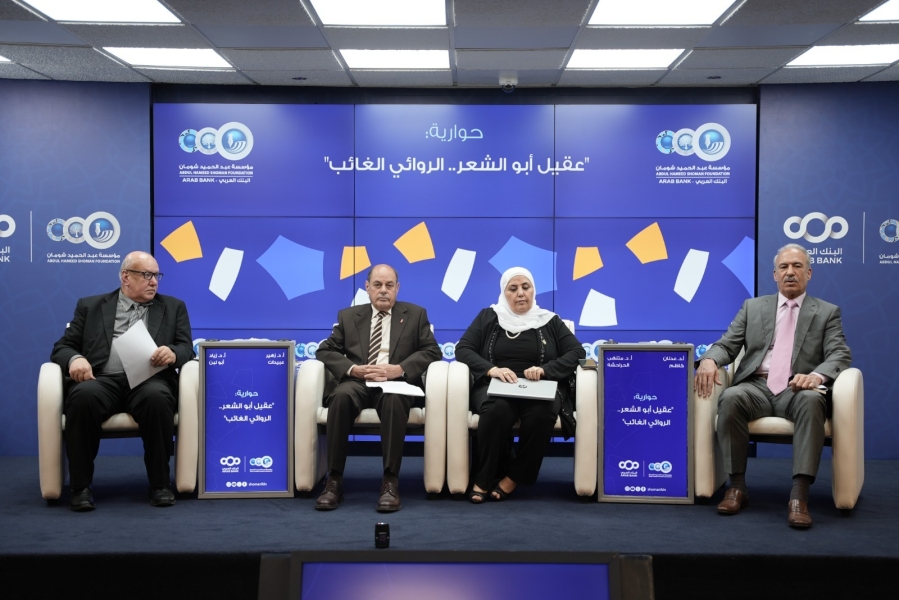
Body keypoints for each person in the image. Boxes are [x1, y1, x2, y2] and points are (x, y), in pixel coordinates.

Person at [694, 243, 851, 528]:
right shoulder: (753, 307)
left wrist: (816, 377)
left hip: (798, 388)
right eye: (784, 267)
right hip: (756, 386)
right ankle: (736, 488)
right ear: (775, 275)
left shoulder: (827, 312)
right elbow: (726, 345)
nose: (790, 272)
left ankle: (799, 496)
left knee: (812, 401)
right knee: (731, 397)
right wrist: (709, 359)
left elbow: (839, 354)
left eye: (797, 266)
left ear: (809, 273)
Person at [51, 251, 194, 511]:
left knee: (157, 398)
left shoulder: (174, 307)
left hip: (149, 380)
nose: (154, 282)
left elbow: (186, 348)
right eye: (147, 275)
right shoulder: (90, 306)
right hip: (102, 379)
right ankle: (80, 488)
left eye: (157, 275)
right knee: (83, 397)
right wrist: (75, 359)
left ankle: (160, 485)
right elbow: (62, 347)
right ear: (126, 277)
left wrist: (173, 353)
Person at [314, 264, 440, 512]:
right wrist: (353, 369)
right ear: (367, 287)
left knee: (394, 399)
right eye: (378, 285)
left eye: (389, 285)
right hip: (357, 382)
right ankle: (334, 480)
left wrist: (399, 369)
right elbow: (325, 350)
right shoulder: (349, 316)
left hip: (395, 383)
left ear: (397, 288)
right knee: (340, 397)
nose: (383, 290)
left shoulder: (415, 315)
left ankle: (390, 481)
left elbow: (432, 351)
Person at [455, 267, 584, 503]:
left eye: (526, 287)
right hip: (496, 385)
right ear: (504, 293)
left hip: (540, 386)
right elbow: (463, 349)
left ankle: (514, 477)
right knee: (497, 410)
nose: (521, 293)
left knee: (541, 414)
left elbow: (577, 352)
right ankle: (483, 478)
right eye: (513, 289)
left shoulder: (550, 321)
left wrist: (546, 370)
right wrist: (491, 369)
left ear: (534, 290)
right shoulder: (488, 316)